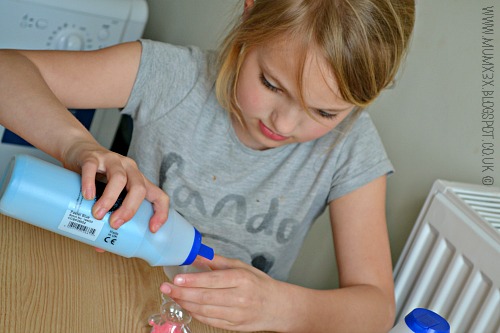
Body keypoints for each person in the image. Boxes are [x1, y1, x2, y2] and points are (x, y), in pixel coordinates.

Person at [0, 0, 415, 332]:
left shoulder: (349, 147)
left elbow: (376, 308)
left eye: (324, 112)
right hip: (102, 294)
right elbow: (8, 71)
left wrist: (282, 307)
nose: (284, 123)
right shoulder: (171, 77)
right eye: (271, 84)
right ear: (251, 13)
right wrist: (78, 146)